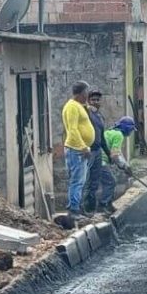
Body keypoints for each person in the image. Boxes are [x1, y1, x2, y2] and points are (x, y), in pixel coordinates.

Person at [61, 80, 93, 217]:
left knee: (80, 181)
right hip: (76, 150)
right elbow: (72, 130)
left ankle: (77, 208)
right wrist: (83, 147)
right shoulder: (72, 107)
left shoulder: (78, 106)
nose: (88, 95)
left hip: (79, 149)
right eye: (87, 91)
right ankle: (73, 210)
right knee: (77, 181)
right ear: (81, 92)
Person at [84, 89, 117, 214]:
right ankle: (84, 209)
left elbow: (102, 138)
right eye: (93, 100)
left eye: (97, 100)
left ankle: (93, 209)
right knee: (86, 181)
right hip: (88, 151)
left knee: (95, 181)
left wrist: (108, 154)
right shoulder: (87, 114)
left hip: (97, 151)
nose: (95, 102)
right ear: (88, 100)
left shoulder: (99, 117)